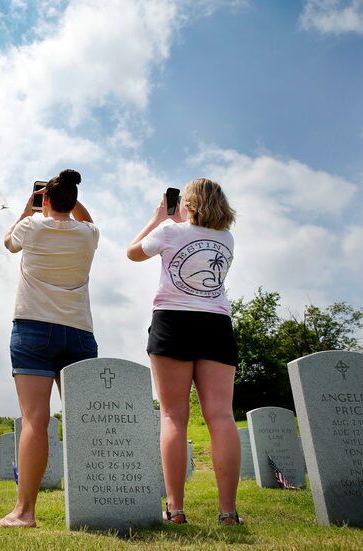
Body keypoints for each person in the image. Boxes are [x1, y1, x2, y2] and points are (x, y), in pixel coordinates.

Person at [0, 169, 99, 529]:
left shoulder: (31, 227)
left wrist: (29, 207)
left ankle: (25, 513)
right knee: (84, 421)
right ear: (74, 199)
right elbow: (87, 219)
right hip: (79, 332)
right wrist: (64, 198)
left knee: (36, 420)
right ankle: (99, 503)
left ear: (45, 199)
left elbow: (8, 242)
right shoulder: (88, 235)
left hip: (33, 328)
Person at [127, 178, 241, 525]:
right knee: (221, 416)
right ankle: (228, 513)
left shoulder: (168, 231)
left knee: (173, 417)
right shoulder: (227, 239)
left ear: (187, 203)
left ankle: (175, 510)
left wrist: (159, 217)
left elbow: (132, 252)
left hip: (173, 322)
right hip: (216, 324)